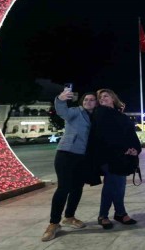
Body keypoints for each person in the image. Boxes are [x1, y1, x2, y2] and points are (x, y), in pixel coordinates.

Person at [41, 90, 97, 242]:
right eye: (86, 99)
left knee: (77, 188)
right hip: (66, 153)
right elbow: (62, 111)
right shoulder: (75, 112)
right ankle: (53, 223)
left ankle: (69, 217)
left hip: (82, 156)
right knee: (63, 188)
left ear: (96, 103)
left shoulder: (95, 117)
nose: (88, 102)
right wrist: (60, 99)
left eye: (92, 100)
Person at [89, 88, 142, 229]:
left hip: (123, 157)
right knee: (113, 185)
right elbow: (105, 136)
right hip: (109, 156)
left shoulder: (120, 115)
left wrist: (135, 149)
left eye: (106, 96)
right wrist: (124, 149)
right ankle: (107, 215)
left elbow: (131, 134)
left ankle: (116, 213)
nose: (102, 99)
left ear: (113, 98)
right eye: (100, 98)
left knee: (119, 185)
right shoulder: (101, 113)